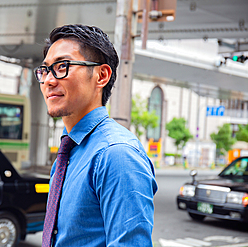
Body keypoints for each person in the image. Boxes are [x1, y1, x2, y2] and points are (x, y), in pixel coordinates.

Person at [34, 24, 158, 246]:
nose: (49, 81)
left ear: (101, 76)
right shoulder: (70, 151)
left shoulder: (117, 154)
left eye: (62, 66)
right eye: (45, 70)